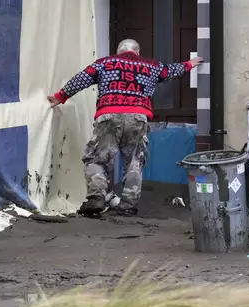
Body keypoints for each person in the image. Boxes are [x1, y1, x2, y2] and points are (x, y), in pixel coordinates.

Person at [48, 39, 203, 217]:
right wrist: (189, 64)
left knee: (97, 159)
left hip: (108, 114)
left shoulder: (105, 63)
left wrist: (60, 97)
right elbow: (170, 71)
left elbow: (81, 79)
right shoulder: (151, 66)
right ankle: (128, 205)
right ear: (137, 52)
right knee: (134, 160)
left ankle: (96, 199)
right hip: (138, 116)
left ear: (118, 51)